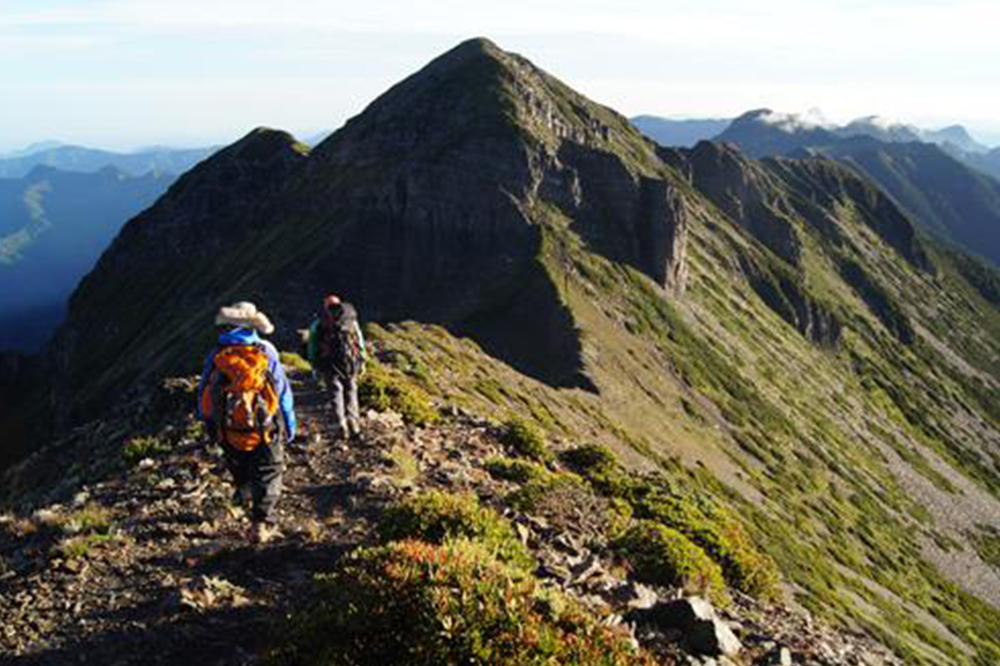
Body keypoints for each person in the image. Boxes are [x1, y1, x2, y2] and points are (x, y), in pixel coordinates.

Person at [198, 302, 296, 544]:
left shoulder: (217, 353)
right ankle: (261, 523)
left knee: (239, 465)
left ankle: (244, 498)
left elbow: (204, 390)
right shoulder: (266, 350)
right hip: (265, 427)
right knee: (269, 470)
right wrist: (289, 424)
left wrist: (209, 421)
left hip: (227, 427)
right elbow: (282, 392)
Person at [307, 295, 367, 441]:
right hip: (350, 364)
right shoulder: (352, 321)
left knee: (335, 395)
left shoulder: (319, 323)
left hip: (329, 365)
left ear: (325, 306)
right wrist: (362, 362)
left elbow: (313, 346)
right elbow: (359, 342)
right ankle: (354, 426)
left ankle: (340, 426)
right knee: (352, 393)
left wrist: (314, 364)